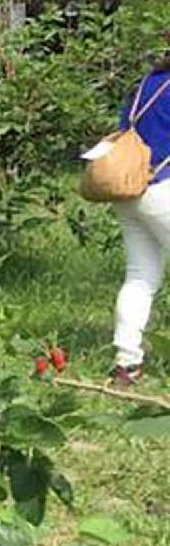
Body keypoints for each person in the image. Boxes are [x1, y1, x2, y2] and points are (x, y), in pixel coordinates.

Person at [109, 54, 170, 386]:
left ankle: (126, 363)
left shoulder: (148, 84)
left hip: (131, 189)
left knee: (139, 277)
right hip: (163, 187)